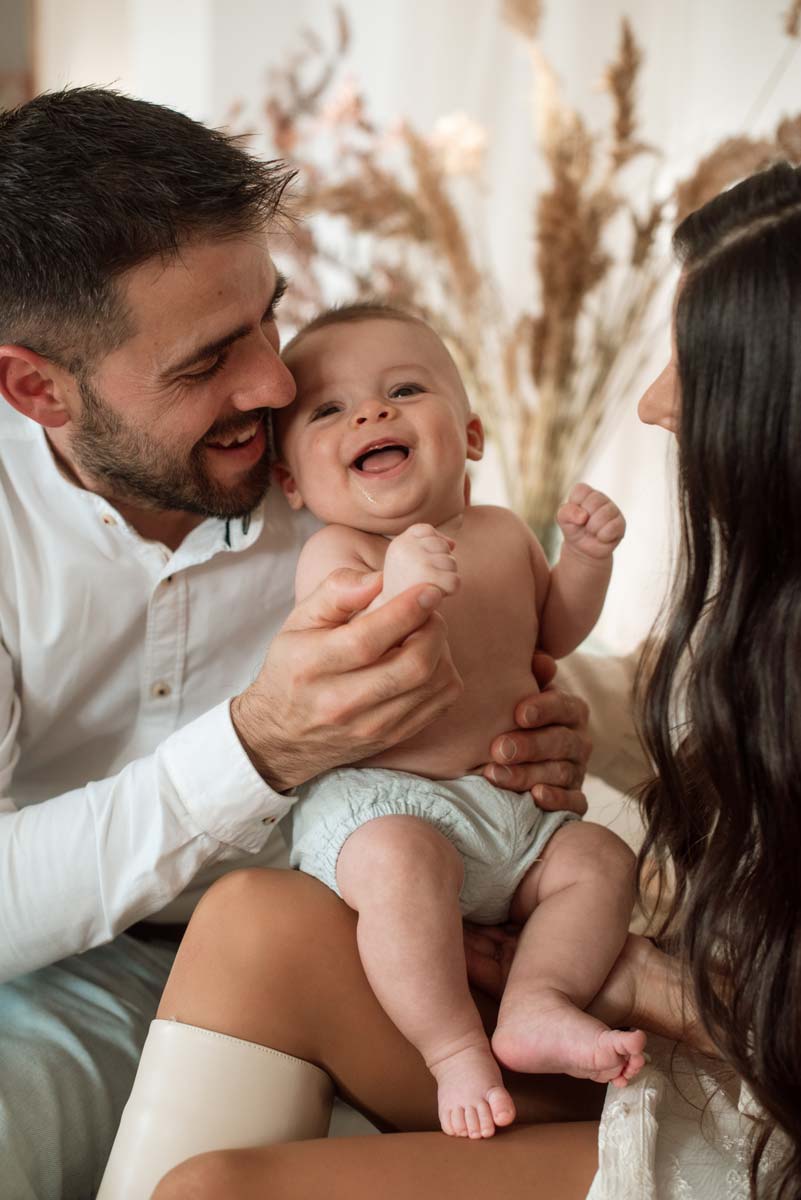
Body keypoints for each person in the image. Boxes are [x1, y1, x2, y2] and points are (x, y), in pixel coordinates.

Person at [104, 160, 801, 1199]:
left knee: (208, 1189)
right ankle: (471, 1044)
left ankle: (509, 1027)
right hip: (517, 885)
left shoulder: (489, 532)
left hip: (761, 1097)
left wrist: (633, 975)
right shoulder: (347, 548)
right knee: (254, 918)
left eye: (689, 360)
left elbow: (552, 612)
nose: (654, 401)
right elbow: (547, 656)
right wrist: (561, 715)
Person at [0, 87, 594, 1200]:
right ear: (37, 387)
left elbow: (517, 629)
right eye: (207, 360)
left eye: (268, 315)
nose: (276, 384)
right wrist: (260, 746)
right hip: (47, 974)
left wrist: (541, 731)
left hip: (356, 945)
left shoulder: (342, 455)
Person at [270, 305, 643, 1139]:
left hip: (508, 809)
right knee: (402, 868)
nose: (370, 413)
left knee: (599, 858)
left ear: (470, 436)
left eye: (403, 389)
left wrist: (585, 560)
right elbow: (347, 658)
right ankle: (452, 1049)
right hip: (386, 804)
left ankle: (536, 1005)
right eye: (328, 410)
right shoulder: (339, 553)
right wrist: (400, 580)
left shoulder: (504, 532)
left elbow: (554, 633)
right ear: (292, 482)